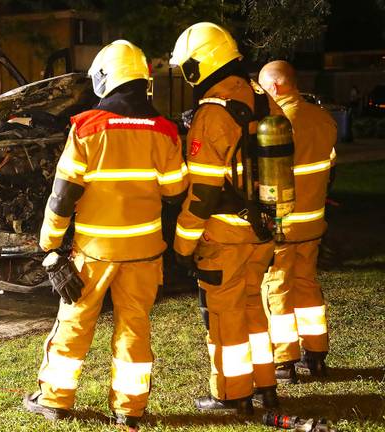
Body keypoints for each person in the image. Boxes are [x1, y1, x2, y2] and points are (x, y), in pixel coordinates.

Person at [22, 40, 188, 429]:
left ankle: (55, 399)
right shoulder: (164, 131)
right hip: (145, 253)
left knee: (75, 323)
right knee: (135, 328)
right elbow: (176, 192)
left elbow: (62, 196)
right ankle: (130, 410)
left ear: (103, 78)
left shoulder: (86, 128)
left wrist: (49, 247)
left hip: (93, 253)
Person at [170, 22, 285, 414]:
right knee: (254, 307)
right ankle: (266, 386)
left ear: (201, 63)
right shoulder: (260, 96)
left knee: (225, 318)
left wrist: (183, 245)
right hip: (263, 230)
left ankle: (232, 394)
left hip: (225, 237)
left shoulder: (213, 113)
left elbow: (202, 193)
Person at [258, 60, 337, 382]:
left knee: (277, 288)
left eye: (264, 88)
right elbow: (330, 168)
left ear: (275, 86)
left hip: (283, 225)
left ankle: (283, 361)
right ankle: (315, 354)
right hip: (313, 223)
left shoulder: (276, 123)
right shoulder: (324, 119)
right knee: (307, 286)